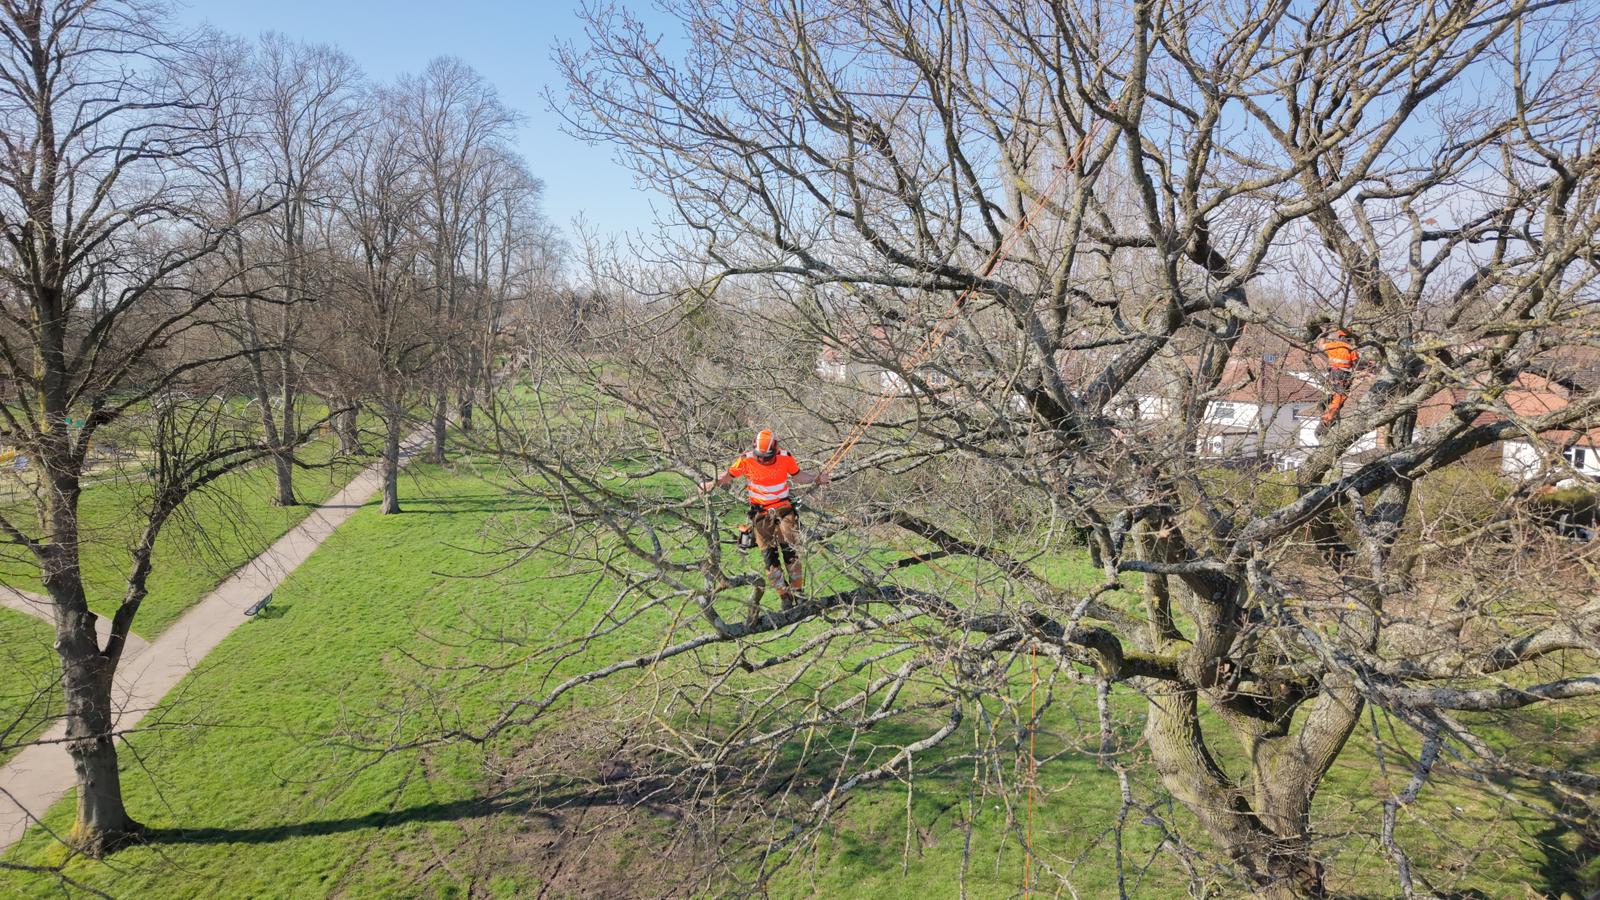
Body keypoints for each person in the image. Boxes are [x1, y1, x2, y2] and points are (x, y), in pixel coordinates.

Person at [701, 429, 830, 608]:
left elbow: (798, 476)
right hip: (761, 515)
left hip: (784, 510)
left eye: (767, 457)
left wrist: (816, 479)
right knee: (770, 560)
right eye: (760, 457)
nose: (763, 460)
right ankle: (785, 597)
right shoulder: (746, 459)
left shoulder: (785, 457)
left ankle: (798, 593)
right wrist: (711, 483)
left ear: (775, 451)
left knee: (791, 553)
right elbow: (727, 476)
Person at [1317, 328, 1358, 434]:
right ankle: (1326, 420)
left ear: (1340, 336)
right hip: (1342, 376)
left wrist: (1324, 334)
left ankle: (1328, 417)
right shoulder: (1351, 349)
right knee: (1338, 399)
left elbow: (1320, 346)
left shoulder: (1333, 345)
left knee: (1338, 397)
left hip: (1333, 375)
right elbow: (1357, 364)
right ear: (1349, 338)